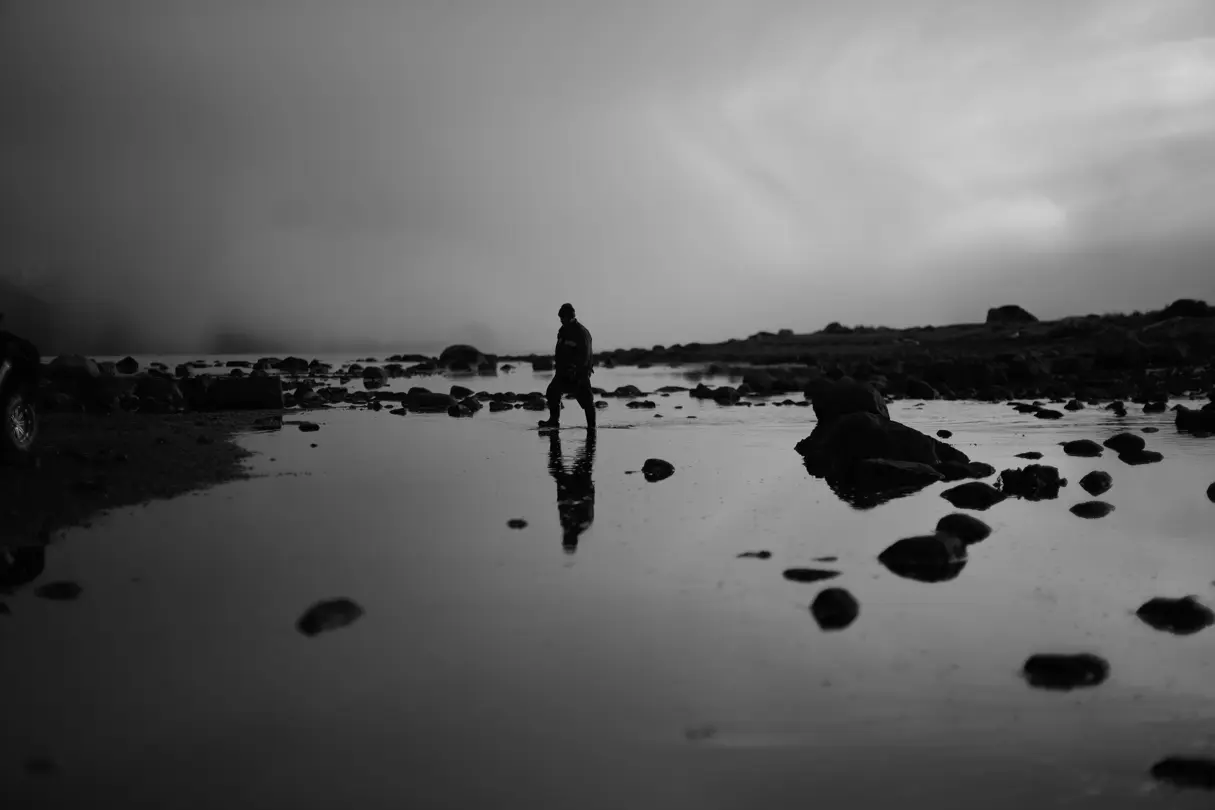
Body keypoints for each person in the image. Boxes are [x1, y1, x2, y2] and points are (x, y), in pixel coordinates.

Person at [538, 302, 596, 429]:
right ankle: (554, 421)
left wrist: (577, 370)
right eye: (560, 318)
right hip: (562, 372)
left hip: (579, 373)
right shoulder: (563, 331)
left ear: (570, 316)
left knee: (586, 400)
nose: (561, 321)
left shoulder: (581, 333)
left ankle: (592, 426)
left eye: (563, 318)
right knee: (552, 392)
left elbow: (585, 355)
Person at [547, 429, 596, 554]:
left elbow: (562, 505)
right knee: (583, 461)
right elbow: (586, 500)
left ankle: (591, 433)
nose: (565, 535)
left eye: (564, 538)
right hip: (581, 488)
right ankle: (591, 435)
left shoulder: (569, 525)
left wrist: (562, 488)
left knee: (555, 468)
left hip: (575, 489)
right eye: (566, 538)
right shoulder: (583, 523)